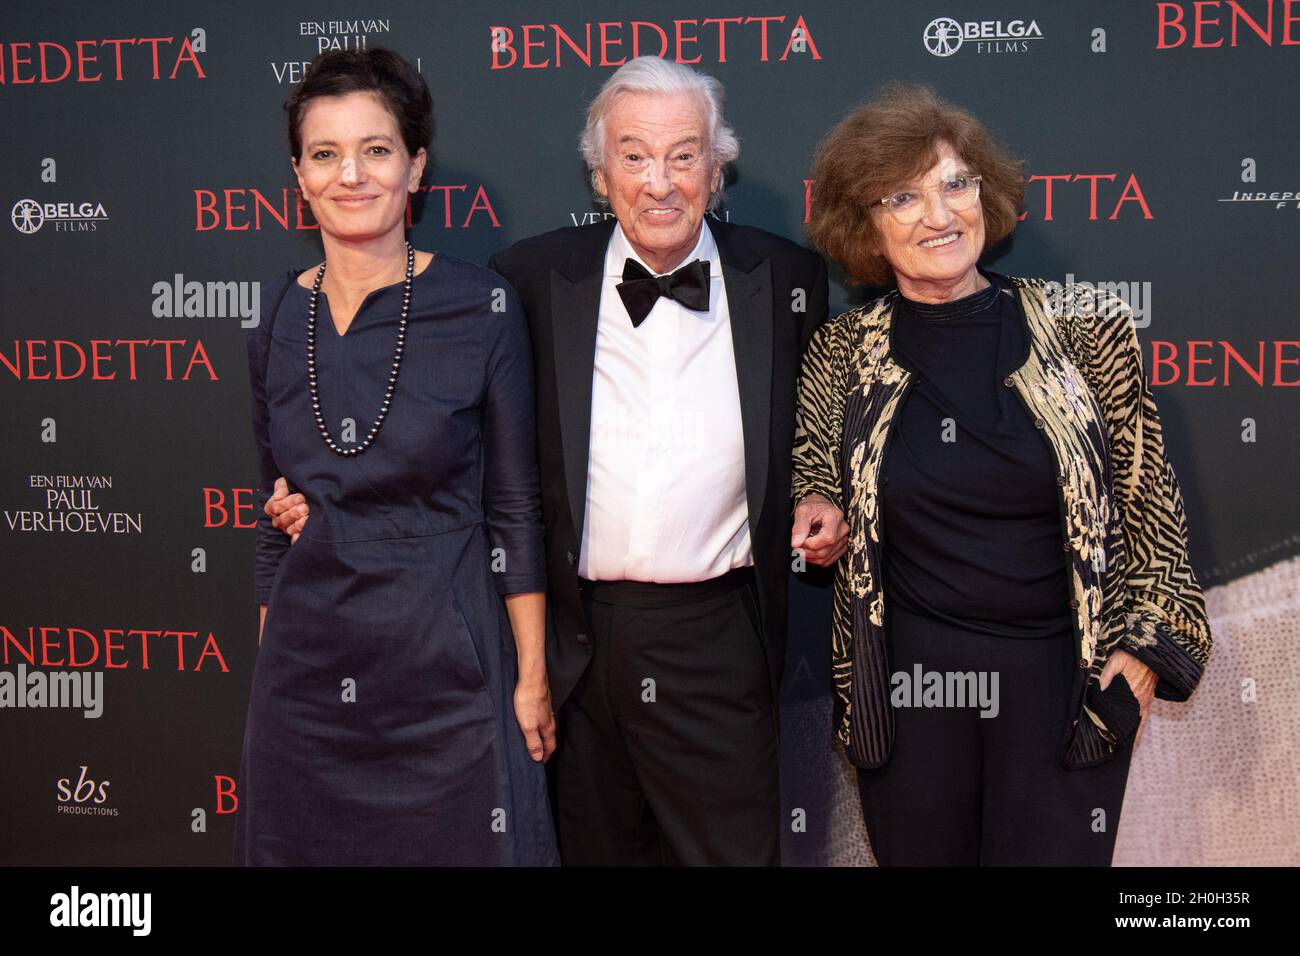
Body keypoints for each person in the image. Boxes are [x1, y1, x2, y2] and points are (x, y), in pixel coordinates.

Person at [269, 55, 839, 865]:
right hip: (569, 644)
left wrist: (827, 502)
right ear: (599, 176)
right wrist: (329, 501)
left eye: (684, 155)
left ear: (719, 169)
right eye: (633, 156)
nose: (660, 181)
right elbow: (457, 437)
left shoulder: (786, 278)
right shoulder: (528, 282)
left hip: (718, 639)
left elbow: (825, 425)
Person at [795, 84, 1213, 865]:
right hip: (911, 692)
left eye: (956, 183)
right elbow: (817, 473)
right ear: (866, 227)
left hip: (1065, 685)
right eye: (903, 196)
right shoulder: (843, 352)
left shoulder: (1091, 332)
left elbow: (1152, 509)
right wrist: (820, 512)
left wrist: (1145, 653)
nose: (939, 214)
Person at [234, 48, 558, 866]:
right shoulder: (274, 318)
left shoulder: (479, 306)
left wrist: (530, 675)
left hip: (446, 669)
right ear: (299, 176)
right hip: (305, 683)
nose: (352, 174)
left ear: (416, 168)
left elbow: (515, 508)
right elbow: (274, 521)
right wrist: (267, 687)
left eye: (376, 150)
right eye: (325, 153)